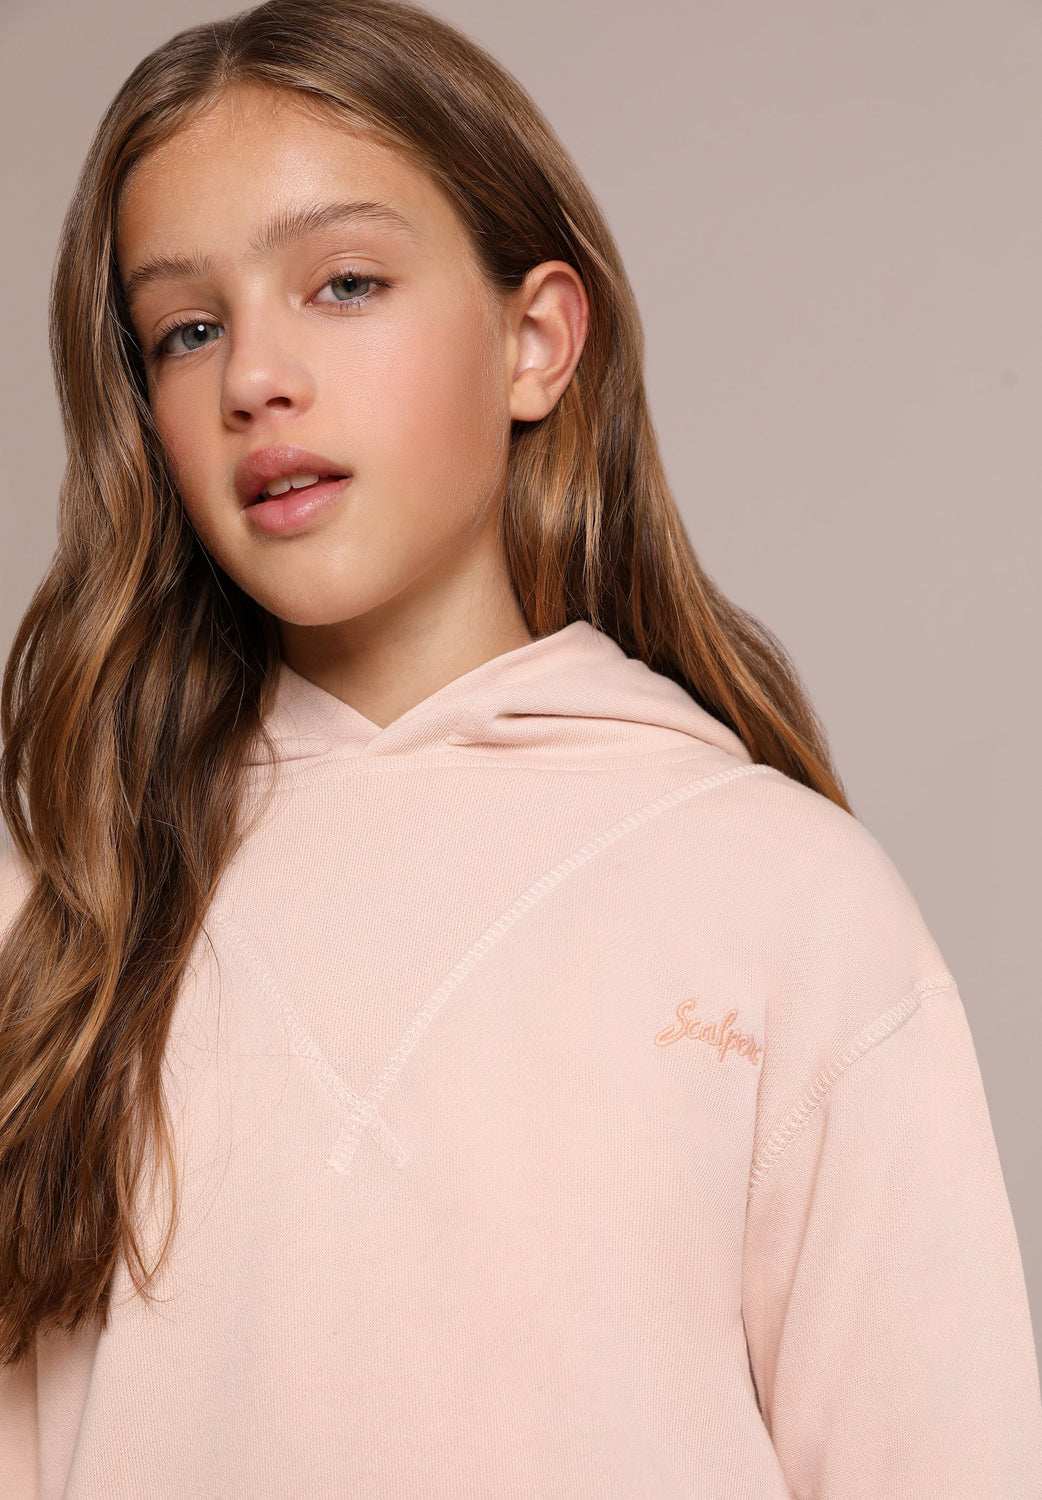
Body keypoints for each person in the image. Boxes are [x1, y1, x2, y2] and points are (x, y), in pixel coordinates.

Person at [1, 0, 1040, 1494]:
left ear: (535, 341)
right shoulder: (69, 910)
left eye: (345, 283)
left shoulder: (783, 897)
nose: (253, 378)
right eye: (189, 329)